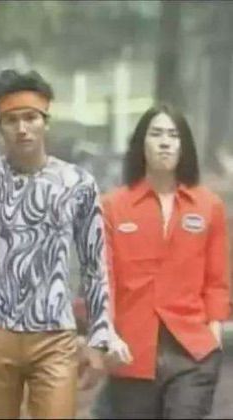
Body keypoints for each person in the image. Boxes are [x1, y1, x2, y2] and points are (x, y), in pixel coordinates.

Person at [0, 69, 111, 419]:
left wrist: (99, 337)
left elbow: (94, 264)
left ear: (45, 121)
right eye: (11, 120)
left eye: (30, 118)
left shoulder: (77, 183)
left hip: (54, 333)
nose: (22, 128)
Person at [102, 104, 230, 419]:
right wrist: (108, 334)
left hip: (192, 351)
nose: (165, 143)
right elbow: (104, 279)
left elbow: (216, 280)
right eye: (156, 134)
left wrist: (214, 331)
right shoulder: (113, 206)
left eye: (173, 135)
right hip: (131, 351)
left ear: (183, 145)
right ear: (141, 144)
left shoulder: (208, 206)